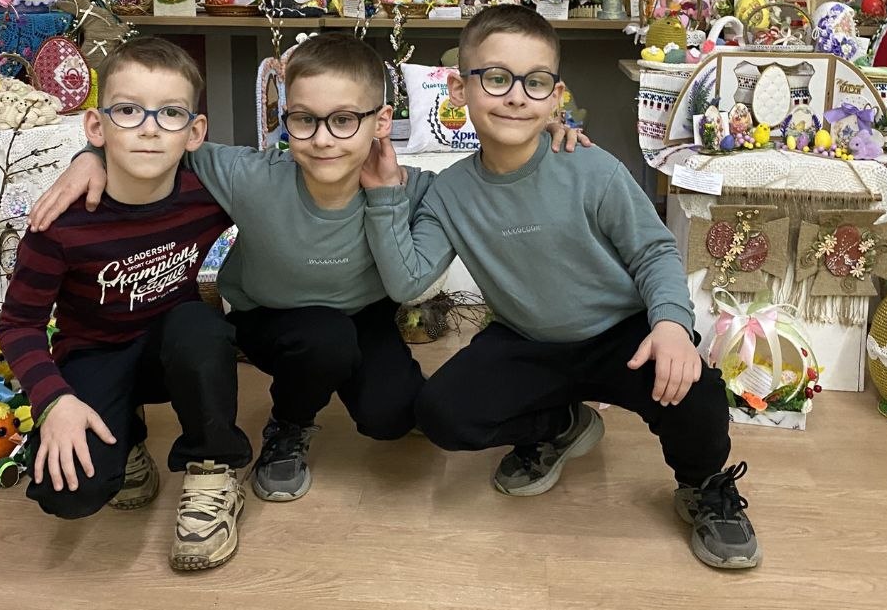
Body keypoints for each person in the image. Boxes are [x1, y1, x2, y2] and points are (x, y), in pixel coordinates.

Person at [31, 32, 585, 506]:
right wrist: (90, 157)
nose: (322, 139)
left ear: (380, 122)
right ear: (285, 119)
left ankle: (546, 421)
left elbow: (492, 187)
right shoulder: (249, 176)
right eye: (304, 120)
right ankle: (289, 426)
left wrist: (548, 138)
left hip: (363, 317)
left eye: (344, 120)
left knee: (392, 418)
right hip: (269, 318)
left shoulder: (415, 189)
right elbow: (157, 140)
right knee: (323, 339)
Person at [359, 6, 761, 570]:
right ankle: (560, 425)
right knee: (441, 413)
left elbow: (654, 251)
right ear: (459, 88)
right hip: (526, 340)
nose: (515, 97)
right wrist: (382, 195)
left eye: (535, 82)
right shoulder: (449, 193)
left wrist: (672, 324)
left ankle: (705, 486)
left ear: (555, 97)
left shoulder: (591, 167)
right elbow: (408, 281)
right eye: (496, 78)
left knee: (695, 393)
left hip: (621, 336)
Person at [0, 37, 251, 572]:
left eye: (171, 113)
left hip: (174, 350)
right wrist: (53, 402)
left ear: (195, 132)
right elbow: (19, 325)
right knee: (67, 494)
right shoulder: (59, 222)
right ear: (96, 125)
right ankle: (125, 437)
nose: (150, 128)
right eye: (129, 111)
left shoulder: (210, 197)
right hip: (95, 353)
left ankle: (212, 468)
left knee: (200, 326)